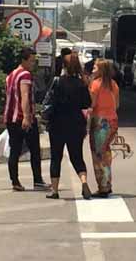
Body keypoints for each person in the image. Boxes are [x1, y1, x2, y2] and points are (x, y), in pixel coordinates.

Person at [46, 52, 93, 200]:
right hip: (76, 124)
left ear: (64, 66)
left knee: (56, 157)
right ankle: (84, 182)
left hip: (57, 124)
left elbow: (49, 101)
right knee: (77, 157)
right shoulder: (81, 84)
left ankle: (54, 190)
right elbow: (87, 104)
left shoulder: (58, 81)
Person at [3, 47, 45, 191]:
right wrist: (27, 117)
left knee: (14, 150)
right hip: (23, 118)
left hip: (10, 118)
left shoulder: (11, 75)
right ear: (24, 60)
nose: (33, 63)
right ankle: (38, 180)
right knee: (34, 150)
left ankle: (15, 181)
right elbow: (25, 96)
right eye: (31, 61)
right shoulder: (25, 75)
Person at [89, 59, 120, 198]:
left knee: (98, 155)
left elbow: (92, 103)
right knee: (106, 153)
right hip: (112, 121)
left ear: (101, 70)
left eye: (94, 67)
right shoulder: (114, 85)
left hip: (100, 122)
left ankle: (103, 187)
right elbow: (117, 105)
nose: (92, 69)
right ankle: (107, 183)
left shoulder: (96, 84)